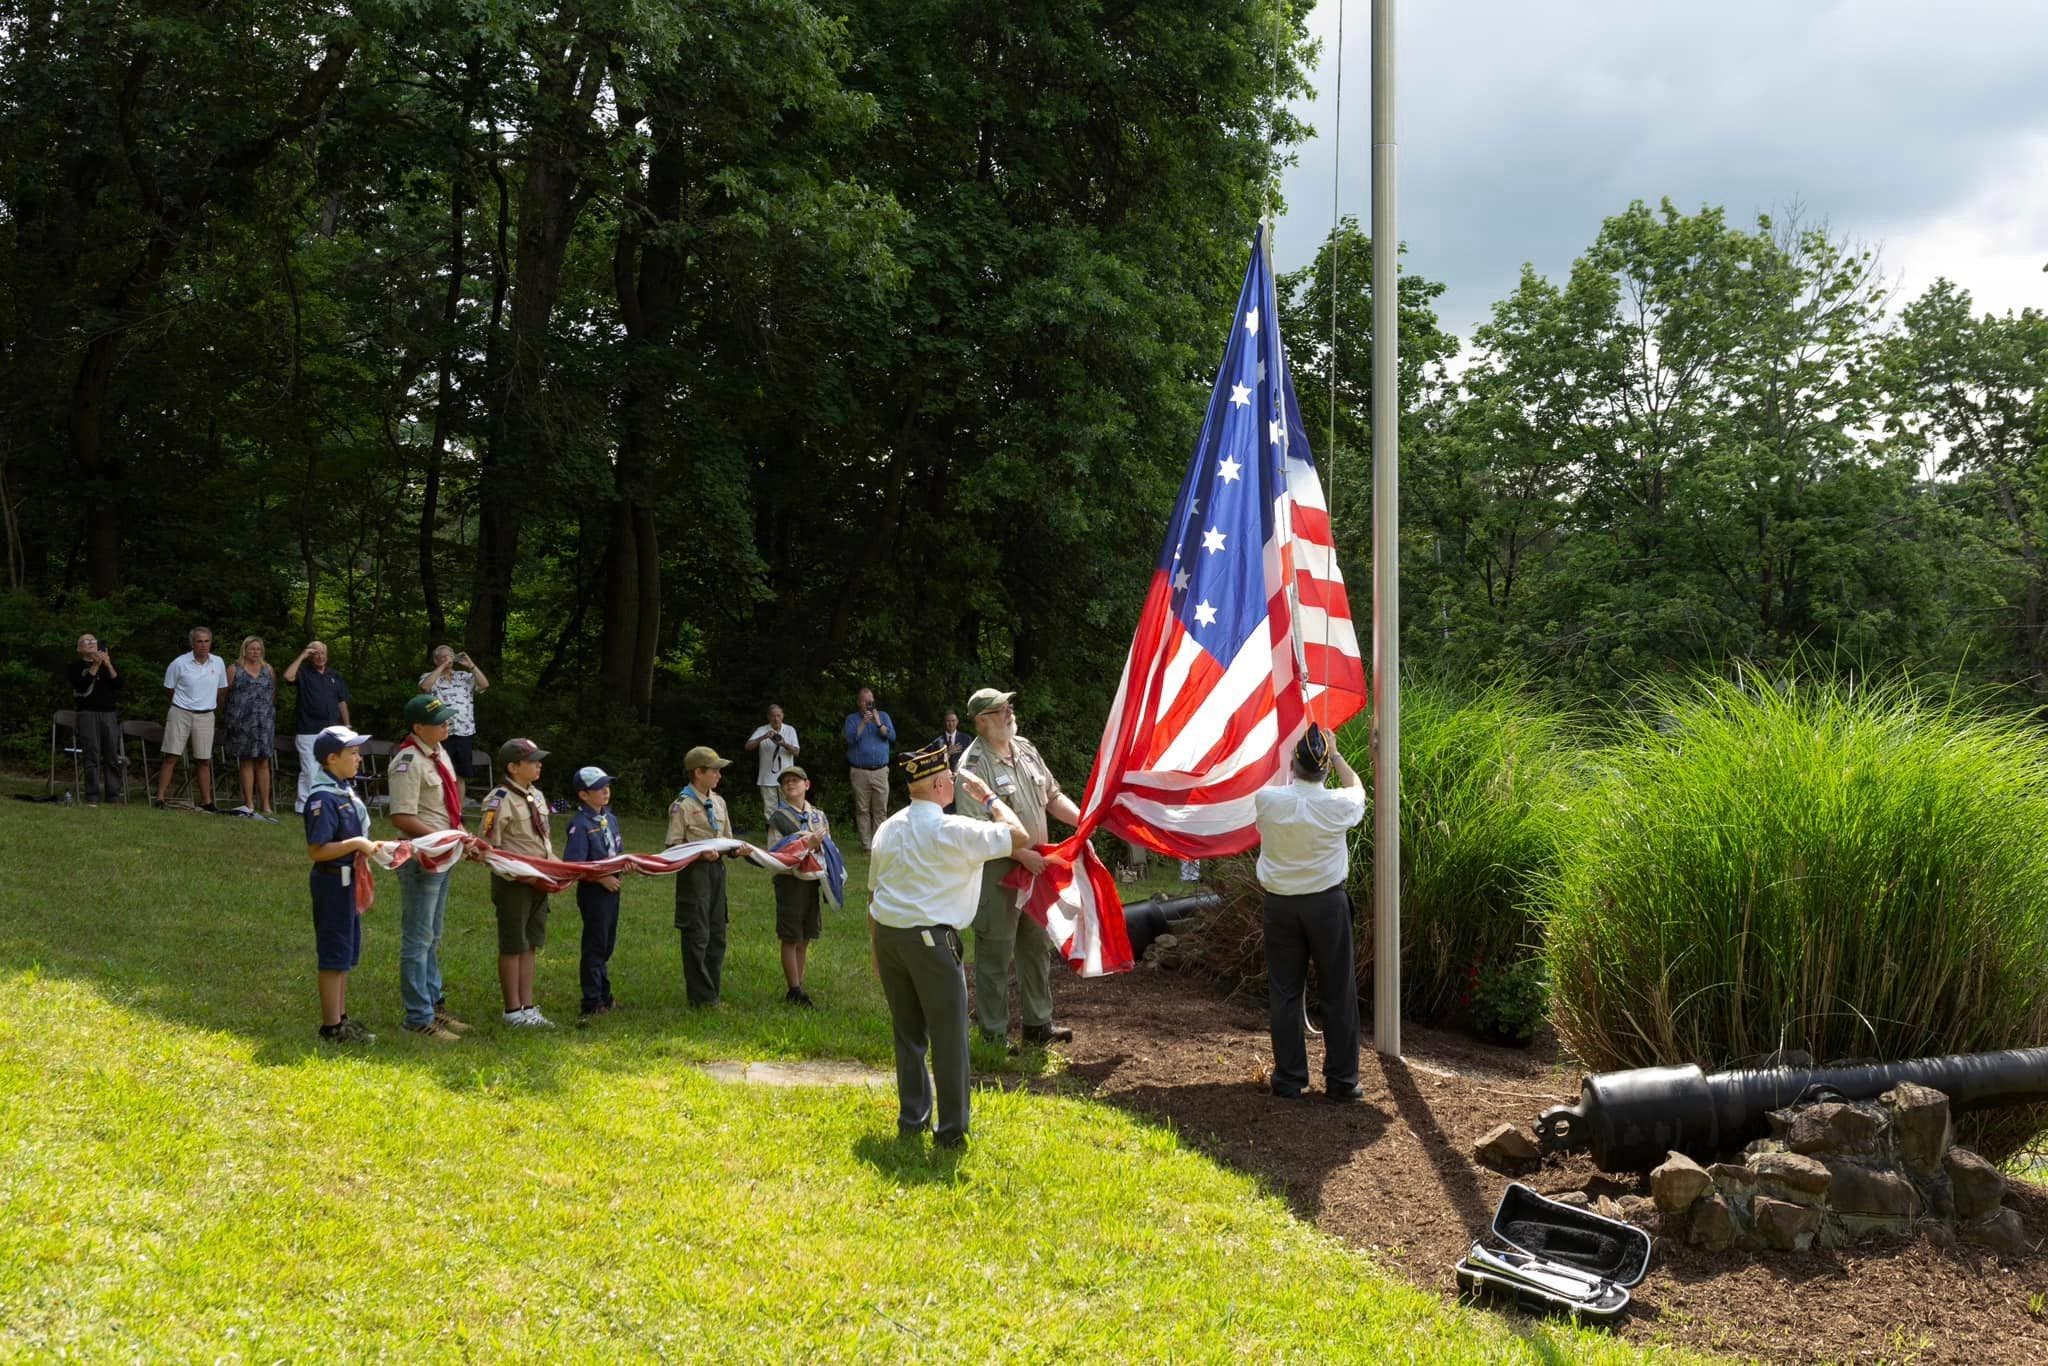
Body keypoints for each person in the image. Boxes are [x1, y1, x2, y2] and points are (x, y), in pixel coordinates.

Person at [867, 740, 1031, 1149]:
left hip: (889, 937)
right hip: (930, 942)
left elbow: (874, 895)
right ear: (942, 785)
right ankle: (952, 1132)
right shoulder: (955, 829)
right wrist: (990, 796)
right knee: (949, 1039)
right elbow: (1020, 836)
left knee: (907, 1034)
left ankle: (912, 1119)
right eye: (951, 781)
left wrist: (875, 950)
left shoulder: (889, 827)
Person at [1252, 724, 1367, 1103]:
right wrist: (1336, 754)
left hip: (1281, 906)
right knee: (1338, 992)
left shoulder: (1267, 800)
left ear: (1292, 763)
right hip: (1326, 907)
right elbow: (1358, 789)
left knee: (1285, 993)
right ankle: (1342, 1082)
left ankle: (1289, 1079)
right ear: (1325, 770)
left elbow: (1282, 786)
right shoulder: (1338, 804)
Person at [954, 687, 1070, 1048]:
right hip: (999, 875)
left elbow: (1052, 797)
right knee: (995, 955)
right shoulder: (972, 768)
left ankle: (1039, 1025)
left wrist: (1085, 822)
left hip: (1036, 873)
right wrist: (1022, 855)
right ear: (982, 721)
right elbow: (979, 829)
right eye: (1001, 709)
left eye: (1009, 706)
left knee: (1036, 948)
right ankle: (994, 1034)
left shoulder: (1026, 749)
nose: (1009, 712)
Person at [384, 694, 471, 1042]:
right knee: (418, 940)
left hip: (445, 854)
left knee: (433, 937)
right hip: (423, 858)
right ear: (419, 727)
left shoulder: (440, 754)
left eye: (448, 719)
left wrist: (459, 835)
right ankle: (417, 1017)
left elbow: (446, 806)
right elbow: (402, 817)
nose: (447, 724)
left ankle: (435, 1005)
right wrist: (443, 837)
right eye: (440, 721)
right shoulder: (407, 761)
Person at [303, 725, 387, 1044]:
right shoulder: (323, 798)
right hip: (332, 883)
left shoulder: (343, 791)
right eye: (352, 753)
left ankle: (341, 1018)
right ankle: (331, 1028)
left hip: (348, 881)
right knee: (333, 954)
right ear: (331, 758)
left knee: (345, 954)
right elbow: (317, 850)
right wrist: (355, 843)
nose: (359, 758)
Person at [481, 737, 556, 1028]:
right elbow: (489, 847)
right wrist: (515, 871)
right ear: (513, 767)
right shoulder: (498, 800)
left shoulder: (535, 795)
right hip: (514, 882)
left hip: (539, 879)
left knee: (531, 943)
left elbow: (543, 841)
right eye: (532, 760)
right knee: (513, 943)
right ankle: (512, 1009)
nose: (539, 764)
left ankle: (528, 1006)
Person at [667, 745, 735, 1007]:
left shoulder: (718, 802)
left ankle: (712, 993)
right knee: (697, 934)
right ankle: (701, 997)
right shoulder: (681, 806)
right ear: (698, 772)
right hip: (694, 874)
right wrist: (699, 854)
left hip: (717, 873)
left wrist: (734, 849)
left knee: (717, 933)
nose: (719, 775)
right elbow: (673, 847)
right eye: (715, 770)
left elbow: (726, 838)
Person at [564, 766, 625, 1019]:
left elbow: (617, 851)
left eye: (607, 786)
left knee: (607, 943)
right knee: (595, 945)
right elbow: (574, 865)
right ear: (584, 795)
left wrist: (625, 864)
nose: (606, 791)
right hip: (594, 891)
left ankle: (604, 994)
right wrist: (601, 878)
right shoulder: (579, 825)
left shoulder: (609, 819)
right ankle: (591, 1000)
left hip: (613, 888)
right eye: (599, 788)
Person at [766, 765, 830, 1006]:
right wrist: (806, 844)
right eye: (785, 783)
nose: (790, 785)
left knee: (806, 935)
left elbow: (829, 847)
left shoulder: (818, 816)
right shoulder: (778, 818)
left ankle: (800, 983)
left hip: (812, 880)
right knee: (791, 935)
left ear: (807, 784)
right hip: (789, 879)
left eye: (795, 780)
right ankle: (793, 989)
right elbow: (775, 852)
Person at [156, 627, 228, 810]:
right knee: (172, 755)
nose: (203, 645)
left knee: (204, 759)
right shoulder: (179, 663)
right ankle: (160, 797)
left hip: (206, 715)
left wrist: (211, 707)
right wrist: (183, 705)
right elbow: (169, 689)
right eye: (199, 641)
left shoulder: (218, 662)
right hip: (181, 712)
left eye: (206, 641)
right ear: (192, 643)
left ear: (211, 643)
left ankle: (207, 801)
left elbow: (221, 689)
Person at [283, 641, 352, 814]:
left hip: (331, 731)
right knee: (310, 769)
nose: (320, 657)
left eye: (323, 653)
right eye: (316, 654)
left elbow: (342, 701)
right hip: (308, 729)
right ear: (310, 656)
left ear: (327, 655)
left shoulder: (334, 675)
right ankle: (303, 806)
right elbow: (288, 677)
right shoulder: (303, 672)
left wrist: (347, 724)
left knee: (331, 768)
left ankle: (326, 804)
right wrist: (302, 655)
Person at [418, 645, 491, 799]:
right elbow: (425, 687)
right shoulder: (429, 676)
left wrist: (471, 665)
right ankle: (440, 810)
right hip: (440, 733)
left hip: (464, 732)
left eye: (450, 656)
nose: (448, 659)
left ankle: (457, 814)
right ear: (435, 660)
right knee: (439, 773)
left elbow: (484, 684)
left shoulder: (463, 676)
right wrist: (442, 666)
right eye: (443, 657)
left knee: (460, 775)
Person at [222, 636, 279, 820]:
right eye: (251, 649)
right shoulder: (234, 669)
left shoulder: (268, 669)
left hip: (264, 723)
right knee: (246, 761)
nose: (255, 652)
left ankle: (266, 804)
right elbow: (224, 694)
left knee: (263, 762)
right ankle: (249, 803)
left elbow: (273, 692)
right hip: (241, 723)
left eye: (258, 649)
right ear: (244, 650)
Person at [65, 632, 123, 805]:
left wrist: (108, 664)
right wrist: (95, 666)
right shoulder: (75, 667)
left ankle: (113, 795)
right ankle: (92, 794)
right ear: (79, 648)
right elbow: (82, 686)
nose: (90, 643)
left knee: (112, 754)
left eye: (93, 641)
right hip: (87, 714)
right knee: (92, 754)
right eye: (86, 641)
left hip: (109, 714)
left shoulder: (106, 665)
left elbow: (119, 685)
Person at [842, 687, 895, 852]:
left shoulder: (884, 716)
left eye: (870, 701)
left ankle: (878, 844)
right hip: (860, 771)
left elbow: (891, 736)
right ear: (859, 703)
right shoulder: (852, 719)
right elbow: (850, 739)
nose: (868, 704)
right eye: (865, 701)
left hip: (880, 771)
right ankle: (866, 846)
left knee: (880, 810)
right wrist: (863, 723)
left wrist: (878, 722)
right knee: (862, 809)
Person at [745, 702, 801, 823]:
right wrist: (764, 737)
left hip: (786, 777)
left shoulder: (790, 730)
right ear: (768, 717)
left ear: (782, 716)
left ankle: (789, 837)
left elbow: (796, 752)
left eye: (778, 715)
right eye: (773, 716)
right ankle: (772, 836)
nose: (776, 719)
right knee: (770, 810)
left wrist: (783, 743)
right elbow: (748, 746)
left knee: (789, 808)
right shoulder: (762, 730)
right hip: (766, 778)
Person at [932, 708, 969, 814]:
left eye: (953, 721)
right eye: (948, 721)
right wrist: (948, 753)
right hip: (943, 784)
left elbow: (971, 762)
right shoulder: (937, 742)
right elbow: (933, 763)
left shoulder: (966, 739)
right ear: (944, 722)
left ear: (957, 722)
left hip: (961, 782)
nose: (951, 724)